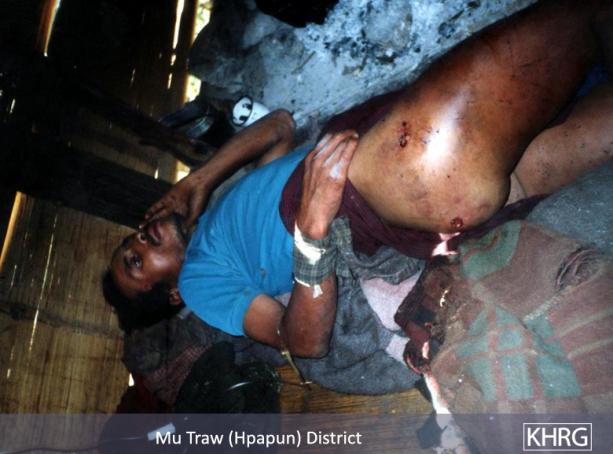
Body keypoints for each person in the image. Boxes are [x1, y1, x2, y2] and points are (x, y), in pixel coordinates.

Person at [105, 0, 612, 358]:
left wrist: (196, 183)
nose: (140, 239)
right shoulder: (199, 284)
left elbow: (278, 126)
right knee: (586, 15)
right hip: (394, 174)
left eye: (131, 241)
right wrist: (312, 234)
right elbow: (300, 342)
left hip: (426, 176)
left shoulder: (221, 222)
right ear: (172, 296)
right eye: (136, 261)